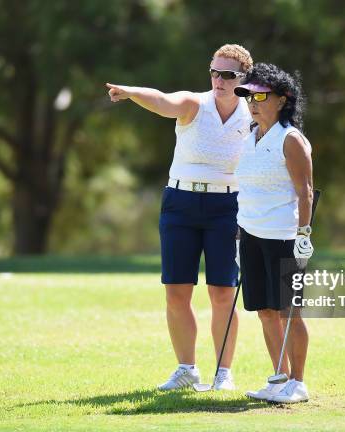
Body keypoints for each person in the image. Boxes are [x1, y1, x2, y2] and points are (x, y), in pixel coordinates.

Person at [106, 44, 253, 391]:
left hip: (227, 208)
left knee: (222, 293)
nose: (218, 79)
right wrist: (131, 92)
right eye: (214, 72)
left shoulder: (252, 115)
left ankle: (223, 373)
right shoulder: (194, 104)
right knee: (176, 291)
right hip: (180, 204)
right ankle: (187, 369)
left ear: (243, 79)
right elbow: (161, 100)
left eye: (227, 74)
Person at [233, 63, 314, 403]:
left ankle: (298, 382)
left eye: (261, 95)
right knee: (265, 310)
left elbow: (305, 191)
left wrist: (303, 235)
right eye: (248, 95)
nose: (252, 102)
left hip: (283, 237)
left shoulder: (290, 139)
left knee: (288, 311)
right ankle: (278, 378)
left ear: (282, 100)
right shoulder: (250, 137)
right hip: (250, 235)